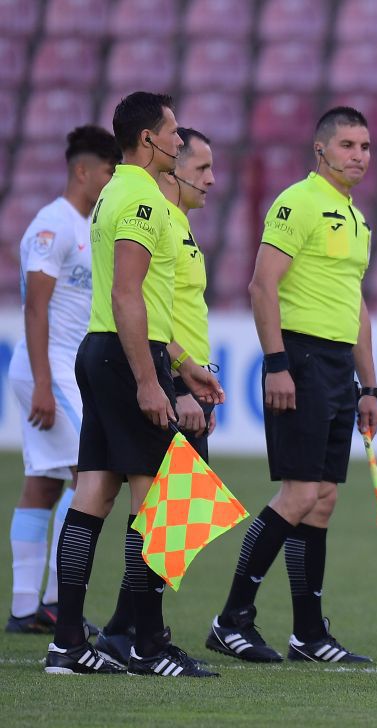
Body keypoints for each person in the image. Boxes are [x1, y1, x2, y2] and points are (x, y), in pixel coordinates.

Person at [44, 92, 223, 677]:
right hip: (126, 359)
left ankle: (68, 642)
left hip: (102, 351)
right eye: (172, 133)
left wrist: (180, 362)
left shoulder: (114, 193)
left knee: (93, 493)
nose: (178, 140)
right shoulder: (144, 199)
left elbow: (133, 300)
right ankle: (147, 643)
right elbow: (128, 294)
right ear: (148, 139)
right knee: (157, 500)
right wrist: (152, 380)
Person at [206, 106, 377, 664]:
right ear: (321, 150)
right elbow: (262, 286)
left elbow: (356, 307)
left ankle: (308, 634)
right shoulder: (296, 203)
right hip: (299, 361)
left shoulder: (356, 219)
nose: (360, 155)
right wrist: (277, 362)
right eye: (349, 145)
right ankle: (231, 618)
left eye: (366, 145)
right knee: (299, 494)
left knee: (323, 502)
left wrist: (370, 388)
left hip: (337, 371)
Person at [95, 127, 218, 667]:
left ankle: (126, 626)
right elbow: (142, 310)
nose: (212, 179)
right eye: (201, 168)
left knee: (180, 517)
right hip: (170, 384)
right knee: (164, 511)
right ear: (171, 168)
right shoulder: (157, 220)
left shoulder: (181, 226)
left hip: (187, 383)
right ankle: (140, 633)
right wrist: (173, 380)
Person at [7, 126, 120, 635]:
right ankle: (55, 602)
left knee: (44, 485)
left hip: (64, 370)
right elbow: (35, 309)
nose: (112, 179)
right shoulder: (51, 225)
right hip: (48, 368)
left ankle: (25, 606)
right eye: (108, 171)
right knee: (90, 477)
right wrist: (44, 384)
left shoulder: (90, 223)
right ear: (83, 171)